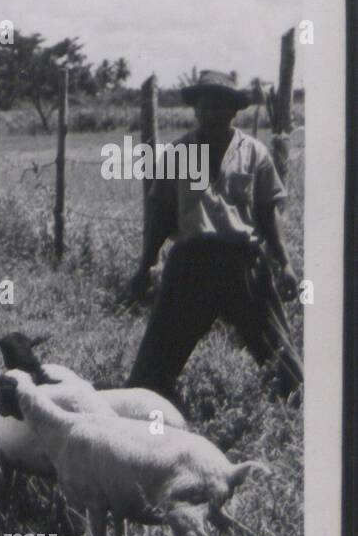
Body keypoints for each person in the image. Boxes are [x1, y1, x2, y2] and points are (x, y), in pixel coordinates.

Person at [125, 70, 302, 401]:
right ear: (195, 111)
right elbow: (161, 217)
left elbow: (267, 214)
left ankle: (291, 405)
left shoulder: (254, 153)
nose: (211, 114)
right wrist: (143, 267)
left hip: (243, 262)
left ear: (234, 111)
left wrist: (285, 263)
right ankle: (144, 406)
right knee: (154, 363)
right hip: (192, 263)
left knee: (280, 356)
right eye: (204, 107)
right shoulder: (178, 154)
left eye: (219, 108)